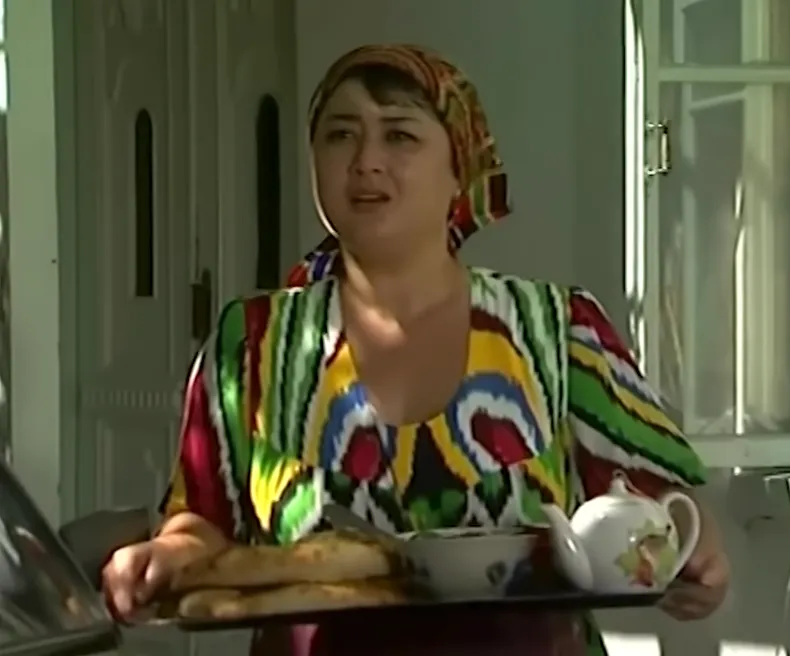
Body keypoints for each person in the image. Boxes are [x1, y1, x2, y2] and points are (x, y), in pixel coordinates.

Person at [102, 44, 729, 654]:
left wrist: (691, 553)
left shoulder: (557, 329)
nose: (366, 161)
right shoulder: (253, 342)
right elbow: (202, 522)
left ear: (459, 167)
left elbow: (656, 507)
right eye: (340, 135)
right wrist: (165, 557)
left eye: (399, 135)